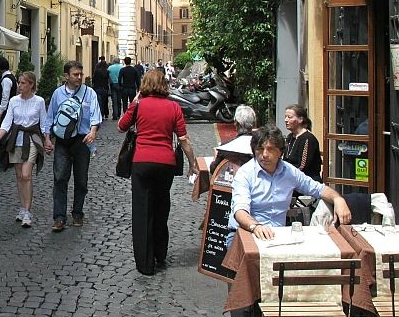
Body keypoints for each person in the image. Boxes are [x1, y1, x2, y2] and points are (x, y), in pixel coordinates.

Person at [117, 70, 196, 275]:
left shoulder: (139, 105)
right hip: (165, 164)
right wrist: (193, 164)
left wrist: (135, 101)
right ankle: (160, 253)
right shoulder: (173, 107)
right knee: (161, 208)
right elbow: (184, 139)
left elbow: (121, 126)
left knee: (142, 211)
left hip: (141, 162)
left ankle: (145, 263)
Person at [229, 124, 351, 245]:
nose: (264, 154)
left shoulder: (289, 172)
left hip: (278, 235)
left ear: (280, 152)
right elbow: (240, 211)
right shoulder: (245, 174)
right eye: (260, 149)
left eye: (270, 149)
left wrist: (338, 199)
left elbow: (318, 189)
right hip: (245, 232)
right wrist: (256, 226)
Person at [43, 61, 101, 232]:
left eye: (81, 74)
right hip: (62, 142)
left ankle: (77, 212)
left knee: (81, 180)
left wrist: (93, 132)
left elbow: (95, 115)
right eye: (75, 74)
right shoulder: (57, 94)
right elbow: (50, 117)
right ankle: (59, 217)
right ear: (66, 76)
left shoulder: (89, 93)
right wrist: (47, 138)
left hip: (83, 141)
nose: (79, 77)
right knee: (60, 178)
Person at [0, 71, 47, 228]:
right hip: (16, 140)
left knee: (26, 175)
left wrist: (47, 140)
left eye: (23, 83)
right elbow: (7, 123)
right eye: (19, 82)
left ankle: (28, 211)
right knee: (19, 176)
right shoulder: (14, 101)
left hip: (32, 140)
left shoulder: (39, 101)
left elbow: (44, 124)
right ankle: (23, 207)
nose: (19, 86)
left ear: (31, 85)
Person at [209, 105, 256, 175]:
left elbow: (214, 169)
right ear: (254, 123)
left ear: (236, 123)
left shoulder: (225, 147)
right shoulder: (260, 146)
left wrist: (215, 157)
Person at [282, 104, 322, 183]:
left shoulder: (308, 139)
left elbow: (302, 166)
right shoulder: (290, 137)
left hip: (306, 182)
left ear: (300, 119)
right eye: (285, 117)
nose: (286, 120)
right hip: (291, 179)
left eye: (290, 117)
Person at [0, 56, 18, 127]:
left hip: (7, 110)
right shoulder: (12, 76)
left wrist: (0, 112)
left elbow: (5, 97)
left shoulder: (6, 80)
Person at [92, 56, 110, 120]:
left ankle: (100, 114)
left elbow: (94, 78)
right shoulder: (107, 71)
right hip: (105, 87)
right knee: (105, 101)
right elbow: (108, 79)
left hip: (98, 87)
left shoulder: (97, 70)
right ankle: (106, 113)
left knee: (99, 101)